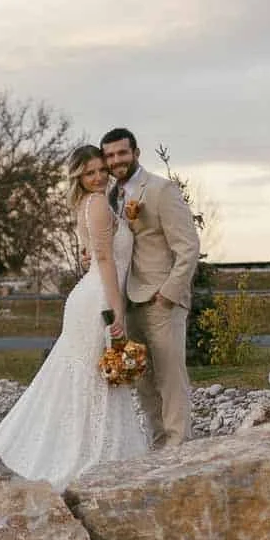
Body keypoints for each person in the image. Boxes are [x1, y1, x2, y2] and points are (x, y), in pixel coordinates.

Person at [0, 145, 148, 486]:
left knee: (82, 380)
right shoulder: (98, 203)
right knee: (94, 379)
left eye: (102, 169)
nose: (99, 176)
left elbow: (96, 253)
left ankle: (84, 447)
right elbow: (103, 260)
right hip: (100, 298)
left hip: (91, 293)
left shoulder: (90, 203)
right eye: (90, 173)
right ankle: (87, 454)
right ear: (79, 178)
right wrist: (117, 311)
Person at [100, 127, 200, 447]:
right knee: (143, 380)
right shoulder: (109, 195)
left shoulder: (159, 189)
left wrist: (169, 294)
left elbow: (188, 247)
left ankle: (178, 447)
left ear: (136, 152)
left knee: (170, 378)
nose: (117, 160)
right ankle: (160, 447)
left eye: (122, 153)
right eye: (110, 155)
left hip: (161, 300)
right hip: (128, 302)